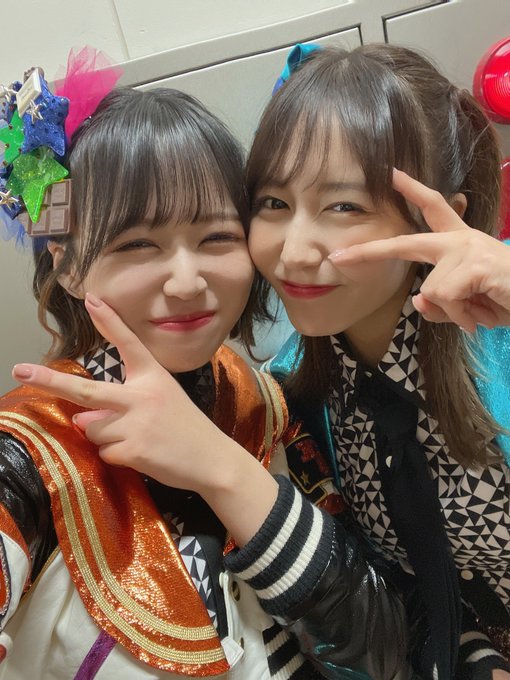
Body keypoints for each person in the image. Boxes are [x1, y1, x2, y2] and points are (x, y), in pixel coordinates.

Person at [0, 63, 406, 679]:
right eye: (137, 245)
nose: (188, 283)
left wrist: (219, 466)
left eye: (217, 237)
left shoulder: (270, 404)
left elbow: (380, 652)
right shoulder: (34, 442)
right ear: (70, 267)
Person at [246, 42, 510, 680]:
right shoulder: (293, 397)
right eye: (274, 203)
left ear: (438, 222)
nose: (294, 251)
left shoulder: (498, 339)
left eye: (344, 206)